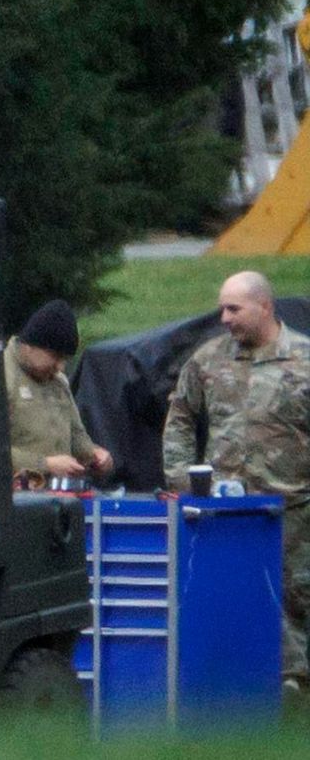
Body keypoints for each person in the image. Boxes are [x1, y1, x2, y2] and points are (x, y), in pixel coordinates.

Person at [162, 270, 310, 698]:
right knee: (231, 597)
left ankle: (292, 689)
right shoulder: (209, 360)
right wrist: (182, 479)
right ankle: (238, 690)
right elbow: (181, 419)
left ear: (264, 306)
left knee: (293, 600)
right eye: (221, 308)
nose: (224, 318)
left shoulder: (302, 358)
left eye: (234, 308)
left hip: (291, 507)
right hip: (226, 511)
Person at [4, 299, 114, 488]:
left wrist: (95, 455)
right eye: (55, 357)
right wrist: (45, 465)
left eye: (65, 359)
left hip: (59, 497)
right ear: (31, 345)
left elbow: (76, 434)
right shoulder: (1, 377)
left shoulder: (58, 382)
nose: (60, 367)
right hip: (18, 499)